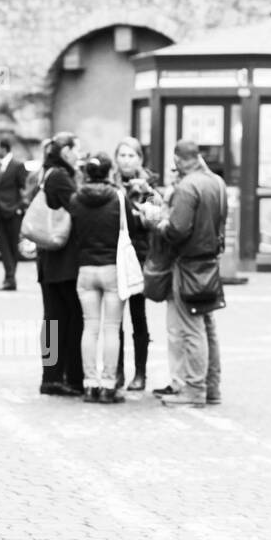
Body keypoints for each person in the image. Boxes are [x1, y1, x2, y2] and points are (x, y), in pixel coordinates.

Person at [149, 140, 225, 408]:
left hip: (188, 265)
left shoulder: (187, 187)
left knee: (192, 329)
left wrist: (159, 224)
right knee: (207, 327)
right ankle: (212, 386)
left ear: (179, 159)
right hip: (210, 264)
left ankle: (195, 389)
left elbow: (177, 230)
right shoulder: (217, 182)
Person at [70, 152, 127, 404]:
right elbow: (141, 222)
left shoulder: (75, 198)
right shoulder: (118, 198)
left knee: (89, 327)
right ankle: (108, 384)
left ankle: (89, 383)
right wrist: (148, 194)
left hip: (85, 268)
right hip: (111, 267)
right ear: (109, 172)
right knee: (112, 329)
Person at [112, 137, 161, 392]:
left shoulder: (150, 186)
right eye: (122, 155)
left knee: (138, 316)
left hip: (140, 254)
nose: (126, 160)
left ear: (140, 159)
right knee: (115, 318)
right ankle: (118, 371)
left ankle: (140, 373)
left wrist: (144, 205)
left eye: (131, 156)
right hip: (115, 255)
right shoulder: (110, 184)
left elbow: (156, 219)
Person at [37, 132, 84, 396]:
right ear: (66, 151)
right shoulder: (59, 177)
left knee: (54, 318)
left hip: (50, 259)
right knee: (68, 318)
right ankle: (65, 376)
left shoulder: (48, 173)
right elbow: (77, 208)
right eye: (77, 150)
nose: (79, 155)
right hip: (62, 260)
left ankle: (52, 375)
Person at [0, 136, 28, 291]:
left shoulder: (17, 166)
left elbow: (24, 189)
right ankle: (10, 277)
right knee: (3, 247)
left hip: (13, 212)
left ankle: (10, 278)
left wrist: (19, 207)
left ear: (4, 149)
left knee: (12, 247)